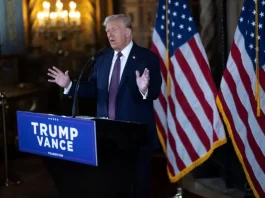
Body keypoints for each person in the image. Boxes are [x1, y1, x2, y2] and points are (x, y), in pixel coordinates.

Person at [47, 14, 162, 198]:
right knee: (111, 186)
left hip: (135, 137)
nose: (109, 34)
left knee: (139, 186)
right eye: (107, 31)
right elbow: (93, 89)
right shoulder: (102, 57)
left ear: (127, 32)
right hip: (107, 137)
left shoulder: (147, 57)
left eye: (114, 29)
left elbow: (155, 92)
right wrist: (69, 85)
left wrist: (144, 89)